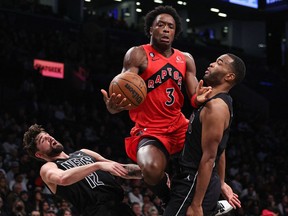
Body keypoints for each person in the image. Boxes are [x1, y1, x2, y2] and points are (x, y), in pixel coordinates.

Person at [101, 5, 211, 205]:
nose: (166, 29)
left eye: (170, 26)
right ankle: (170, 201)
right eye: (160, 25)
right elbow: (122, 89)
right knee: (150, 169)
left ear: (175, 32)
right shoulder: (137, 54)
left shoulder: (186, 59)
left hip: (179, 126)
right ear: (150, 29)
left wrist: (200, 98)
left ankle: (213, 199)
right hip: (149, 130)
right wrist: (114, 107)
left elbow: (194, 97)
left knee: (212, 146)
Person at [163, 53, 246, 216]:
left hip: (193, 184)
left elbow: (209, 157)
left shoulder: (216, 107)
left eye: (219, 63)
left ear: (229, 76)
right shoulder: (212, 101)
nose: (212, 64)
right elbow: (220, 149)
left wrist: (196, 204)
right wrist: (221, 182)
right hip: (192, 180)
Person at [22, 124, 142, 216]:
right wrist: (97, 165)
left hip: (120, 207)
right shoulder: (48, 167)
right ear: (39, 155)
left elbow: (122, 169)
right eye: (43, 140)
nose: (49, 137)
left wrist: (148, 172)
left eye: (48, 135)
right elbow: (62, 178)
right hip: (96, 212)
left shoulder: (84, 152)